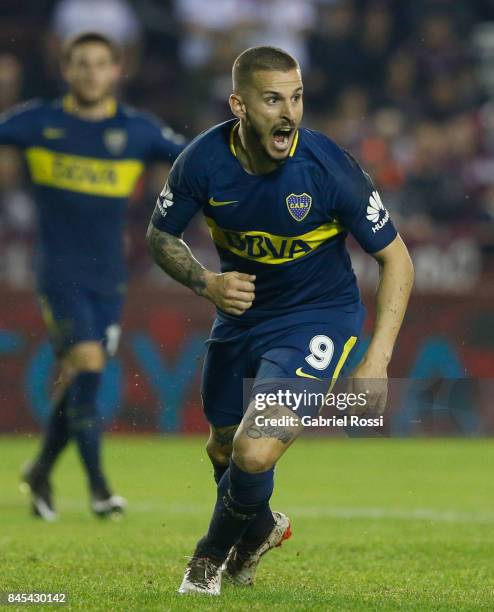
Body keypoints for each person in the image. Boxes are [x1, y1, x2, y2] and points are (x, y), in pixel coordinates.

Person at [147, 46, 414, 595]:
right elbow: (161, 234)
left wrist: (379, 358)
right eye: (273, 99)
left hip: (317, 319)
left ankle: (208, 562)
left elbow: (397, 259)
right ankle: (263, 528)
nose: (289, 113)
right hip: (240, 319)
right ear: (239, 105)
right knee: (222, 446)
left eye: (296, 97)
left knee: (254, 447)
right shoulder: (201, 161)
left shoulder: (329, 168)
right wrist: (205, 281)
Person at [0, 32, 184, 521]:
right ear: (67, 69)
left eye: (100, 64)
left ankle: (40, 469)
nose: (91, 73)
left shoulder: (138, 132)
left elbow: (193, 159)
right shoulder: (37, 123)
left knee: (81, 379)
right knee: (88, 365)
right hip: (58, 272)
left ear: (116, 70)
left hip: (110, 279)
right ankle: (100, 489)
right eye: (81, 64)